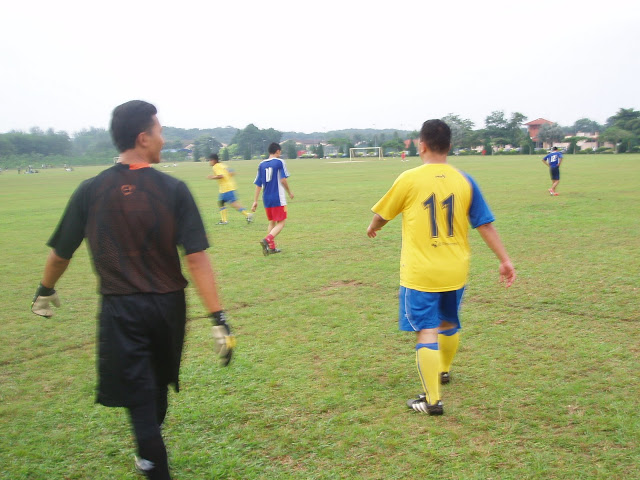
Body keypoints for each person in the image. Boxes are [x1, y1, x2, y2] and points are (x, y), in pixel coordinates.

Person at [30, 100, 235, 480]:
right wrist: (218, 319)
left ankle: (151, 461)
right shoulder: (173, 189)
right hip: (168, 309)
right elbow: (196, 259)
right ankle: (150, 456)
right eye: (159, 131)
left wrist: (46, 289)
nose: (163, 138)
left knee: (144, 399)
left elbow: (61, 252)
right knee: (152, 389)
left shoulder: (91, 190)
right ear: (143, 138)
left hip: (121, 309)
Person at [367, 119, 516, 416]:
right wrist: (505, 259)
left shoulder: (409, 178)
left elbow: (384, 214)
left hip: (421, 273)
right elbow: (484, 223)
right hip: (455, 270)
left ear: (421, 145)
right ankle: (444, 370)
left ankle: (432, 400)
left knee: (426, 330)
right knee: (448, 322)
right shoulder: (464, 180)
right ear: (449, 147)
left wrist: (373, 227)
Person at [251, 142, 294, 255]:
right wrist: (289, 192)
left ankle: (272, 248)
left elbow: (258, 184)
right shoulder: (280, 162)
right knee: (281, 222)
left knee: (272, 222)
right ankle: (267, 240)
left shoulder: (261, 164)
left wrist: (255, 201)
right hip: (277, 197)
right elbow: (283, 180)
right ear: (278, 151)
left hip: (266, 198)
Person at [207, 153, 253, 224]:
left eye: (210, 160)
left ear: (214, 160)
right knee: (221, 202)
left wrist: (212, 177)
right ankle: (224, 220)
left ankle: (247, 215)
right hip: (229, 186)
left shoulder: (216, 166)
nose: (209, 162)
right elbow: (232, 172)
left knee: (233, 204)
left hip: (226, 188)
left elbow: (221, 176)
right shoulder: (223, 165)